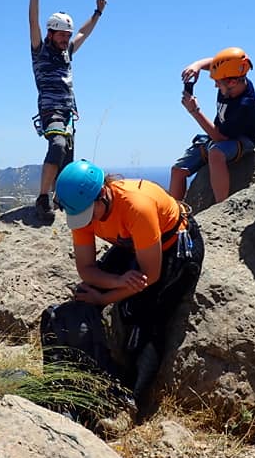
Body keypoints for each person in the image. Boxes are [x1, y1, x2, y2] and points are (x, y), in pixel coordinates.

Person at [55, 160, 205, 419]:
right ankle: (79, 381)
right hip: (134, 245)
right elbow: (87, 269)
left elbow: (150, 276)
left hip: (174, 245)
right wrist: (116, 282)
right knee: (83, 297)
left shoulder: (136, 206)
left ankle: (131, 405)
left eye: (89, 213)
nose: (85, 221)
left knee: (145, 320)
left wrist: (105, 297)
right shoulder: (84, 209)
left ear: (103, 193)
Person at [29, 0, 107, 224]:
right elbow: (33, 22)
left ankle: (61, 198)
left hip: (69, 112)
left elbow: (84, 32)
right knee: (58, 145)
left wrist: (97, 12)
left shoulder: (67, 52)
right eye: (61, 35)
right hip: (50, 110)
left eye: (67, 35)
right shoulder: (40, 51)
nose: (65, 39)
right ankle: (43, 198)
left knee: (67, 158)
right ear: (51, 33)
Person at [170, 47, 255, 203]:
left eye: (217, 82)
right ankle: (173, 211)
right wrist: (197, 66)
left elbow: (220, 138)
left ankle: (220, 205)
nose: (215, 86)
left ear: (232, 82)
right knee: (178, 170)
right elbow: (215, 64)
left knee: (215, 153)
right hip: (219, 135)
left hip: (242, 140)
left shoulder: (245, 104)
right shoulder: (234, 80)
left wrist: (194, 111)